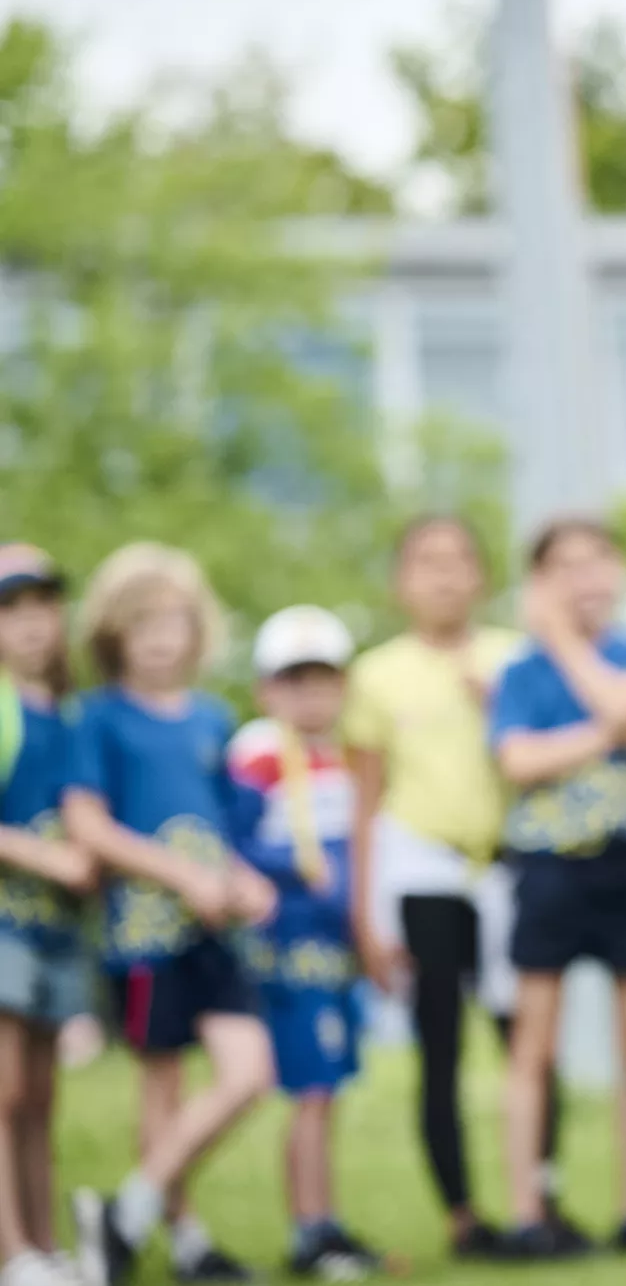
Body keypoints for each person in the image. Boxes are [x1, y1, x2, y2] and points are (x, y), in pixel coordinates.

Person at [340, 515, 560, 1256]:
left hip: (507, 867)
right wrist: (365, 918)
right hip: (422, 871)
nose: (442, 575)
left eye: (458, 559)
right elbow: (364, 802)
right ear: (400, 581)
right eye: (425, 561)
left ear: (481, 576)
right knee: (440, 1046)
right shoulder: (375, 674)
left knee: (528, 1041)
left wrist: (501, 703)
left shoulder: (514, 658)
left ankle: (540, 1200)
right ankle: (463, 1214)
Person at [64, 544, 277, 1286]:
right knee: (164, 1087)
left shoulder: (212, 719)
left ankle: (124, 1211)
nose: (159, 636)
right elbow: (89, 825)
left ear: (197, 629)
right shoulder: (97, 718)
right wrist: (180, 874)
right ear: (113, 632)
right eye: (141, 621)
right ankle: (185, 1239)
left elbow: (217, 829)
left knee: (249, 1071)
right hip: (141, 935)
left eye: (173, 620)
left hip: (212, 931)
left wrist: (244, 880)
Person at [490, 518, 626, 1256]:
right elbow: (517, 762)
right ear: (540, 580)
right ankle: (526, 1211)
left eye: (597, 561)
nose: (584, 579)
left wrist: (575, 661)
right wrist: (616, 729)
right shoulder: (518, 671)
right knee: (533, 1046)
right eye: (564, 566)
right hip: (547, 868)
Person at [227, 607, 384, 1279]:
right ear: (267, 689)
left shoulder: (348, 756)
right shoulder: (259, 753)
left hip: (335, 946)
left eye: (322, 679)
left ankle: (326, 1220)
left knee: (330, 1086)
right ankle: (308, 1230)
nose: (309, 695)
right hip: (286, 947)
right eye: (293, 681)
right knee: (310, 1087)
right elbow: (236, 843)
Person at [0, 548, 95, 1286]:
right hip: (4, 919)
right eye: (12, 608)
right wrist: (52, 858)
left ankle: (44, 1243)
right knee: (3, 1088)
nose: (31, 624)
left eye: (42, 606)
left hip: (55, 929)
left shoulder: (65, 710)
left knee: (39, 1093)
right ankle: (13, 1252)